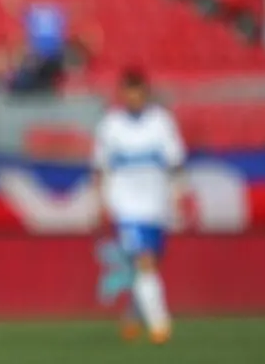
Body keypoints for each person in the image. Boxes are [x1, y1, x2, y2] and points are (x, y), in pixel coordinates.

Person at [92, 68, 185, 345]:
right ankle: (160, 325)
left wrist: (178, 196)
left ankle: (134, 314)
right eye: (129, 92)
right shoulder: (111, 125)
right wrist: (101, 202)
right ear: (122, 94)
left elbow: (175, 162)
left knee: (150, 264)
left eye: (139, 92)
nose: (134, 98)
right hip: (127, 205)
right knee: (144, 260)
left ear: (146, 93)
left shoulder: (161, 122)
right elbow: (100, 167)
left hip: (156, 203)